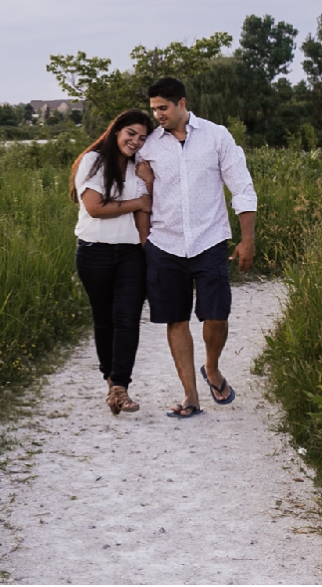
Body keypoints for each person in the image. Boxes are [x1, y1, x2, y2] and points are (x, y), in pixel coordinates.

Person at [133, 77, 257, 419]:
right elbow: (142, 197)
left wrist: (248, 240)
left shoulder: (217, 137)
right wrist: (145, 241)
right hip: (165, 243)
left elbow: (242, 188)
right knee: (175, 319)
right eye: (154, 108)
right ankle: (191, 396)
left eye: (163, 107)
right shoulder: (149, 147)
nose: (157, 114)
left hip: (210, 240)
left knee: (217, 315)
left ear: (182, 103)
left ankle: (212, 368)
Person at [69, 108, 155, 415]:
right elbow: (94, 207)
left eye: (142, 138)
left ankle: (120, 386)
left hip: (131, 252)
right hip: (95, 251)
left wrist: (149, 186)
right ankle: (111, 382)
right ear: (116, 130)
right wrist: (137, 202)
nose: (135, 141)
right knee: (104, 320)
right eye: (131, 133)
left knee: (128, 319)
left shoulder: (139, 167)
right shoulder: (94, 161)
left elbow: (150, 206)